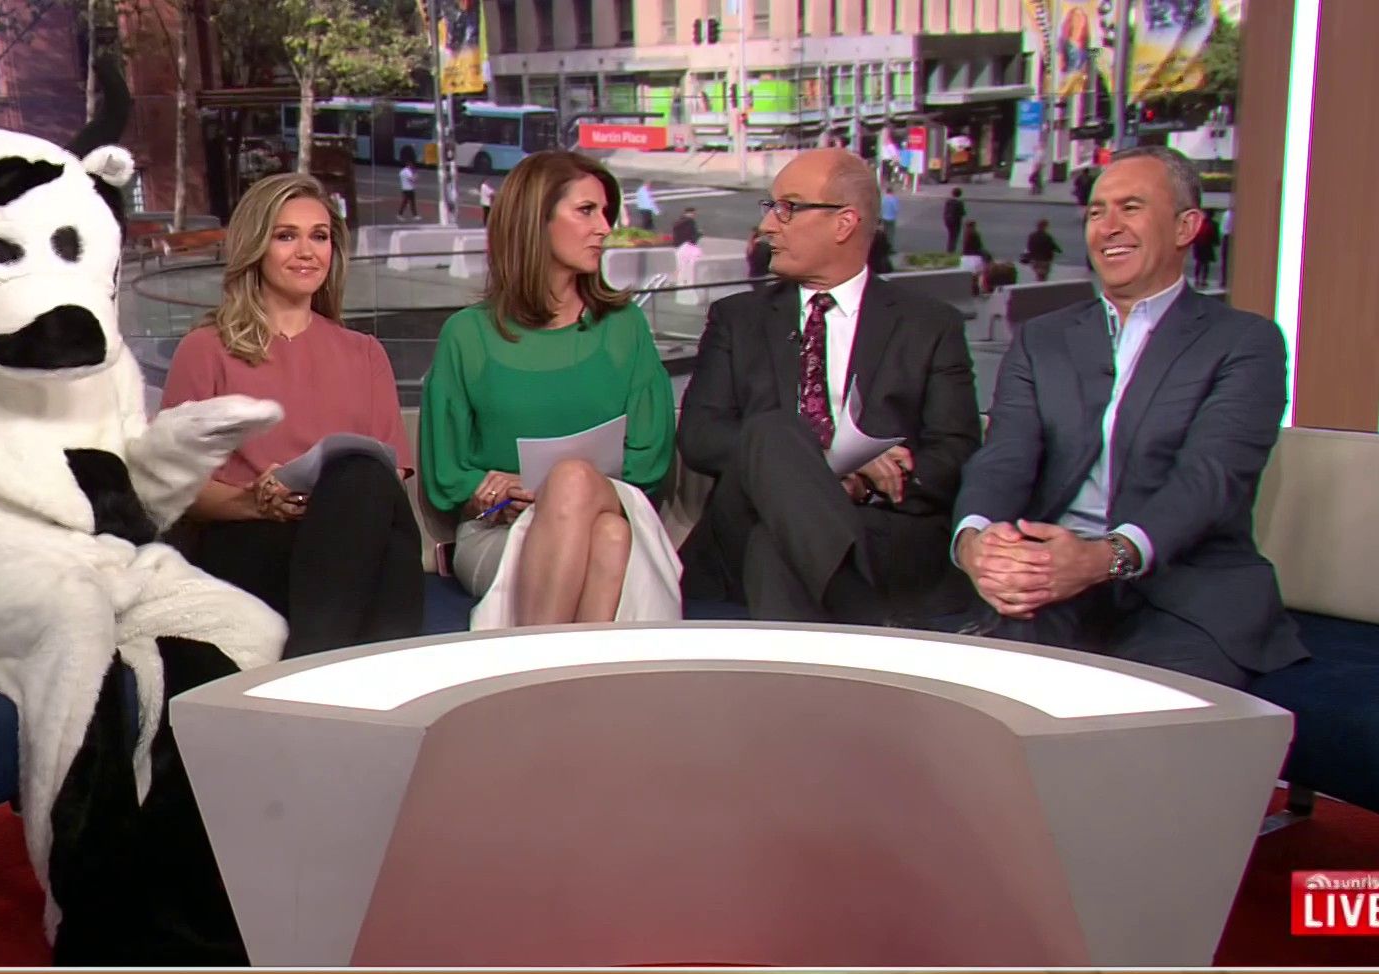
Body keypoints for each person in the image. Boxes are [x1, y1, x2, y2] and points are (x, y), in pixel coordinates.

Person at [950, 146, 1308, 689]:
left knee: (1144, 709)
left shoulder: (1244, 343)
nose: (1108, 226)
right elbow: (1004, 457)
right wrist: (976, 542)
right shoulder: (1044, 340)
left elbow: (1210, 479)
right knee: (983, 695)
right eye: (1097, 211)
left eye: (1131, 208)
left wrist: (1102, 558)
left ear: (1187, 226)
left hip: (1183, 592)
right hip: (1049, 582)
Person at [677, 148, 984, 627]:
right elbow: (700, 435)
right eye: (771, 208)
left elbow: (956, 453)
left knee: (773, 551)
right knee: (773, 432)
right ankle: (861, 615)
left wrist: (863, 481)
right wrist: (820, 461)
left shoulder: (929, 325)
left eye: (788, 208)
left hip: (877, 528)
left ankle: (830, 631)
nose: (768, 226)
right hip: (745, 513)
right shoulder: (737, 319)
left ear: (844, 223)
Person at [161, 173, 422, 659]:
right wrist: (256, 502)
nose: (307, 252)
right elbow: (178, 484)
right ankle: (329, 669)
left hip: (349, 531)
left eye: (319, 237)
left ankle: (309, 660)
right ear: (256, 246)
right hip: (251, 536)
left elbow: (392, 476)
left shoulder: (364, 353)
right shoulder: (205, 349)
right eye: (286, 236)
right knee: (378, 552)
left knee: (364, 477)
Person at [419, 150, 679, 627]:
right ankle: (574, 668)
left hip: (612, 507)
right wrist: (492, 493)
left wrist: (551, 489)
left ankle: (532, 655)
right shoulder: (467, 334)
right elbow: (445, 473)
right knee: (608, 540)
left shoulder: (625, 326)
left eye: (605, 213)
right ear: (535, 220)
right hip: (499, 530)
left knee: (577, 485)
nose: (604, 228)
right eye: (586, 211)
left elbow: (649, 458)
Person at [1191, 208, 1218, 289]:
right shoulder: (1213, 224)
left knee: (1198, 263)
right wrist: (1216, 243)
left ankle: (1196, 280)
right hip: (1207, 246)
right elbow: (1215, 237)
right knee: (1206, 264)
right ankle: (1204, 280)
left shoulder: (1199, 222)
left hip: (1198, 245)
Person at [943, 186, 966, 252]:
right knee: (954, 237)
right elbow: (962, 213)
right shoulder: (959, 203)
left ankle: (949, 249)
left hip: (948, 221)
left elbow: (945, 211)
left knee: (950, 235)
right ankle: (951, 250)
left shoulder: (948, 201)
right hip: (956, 222)